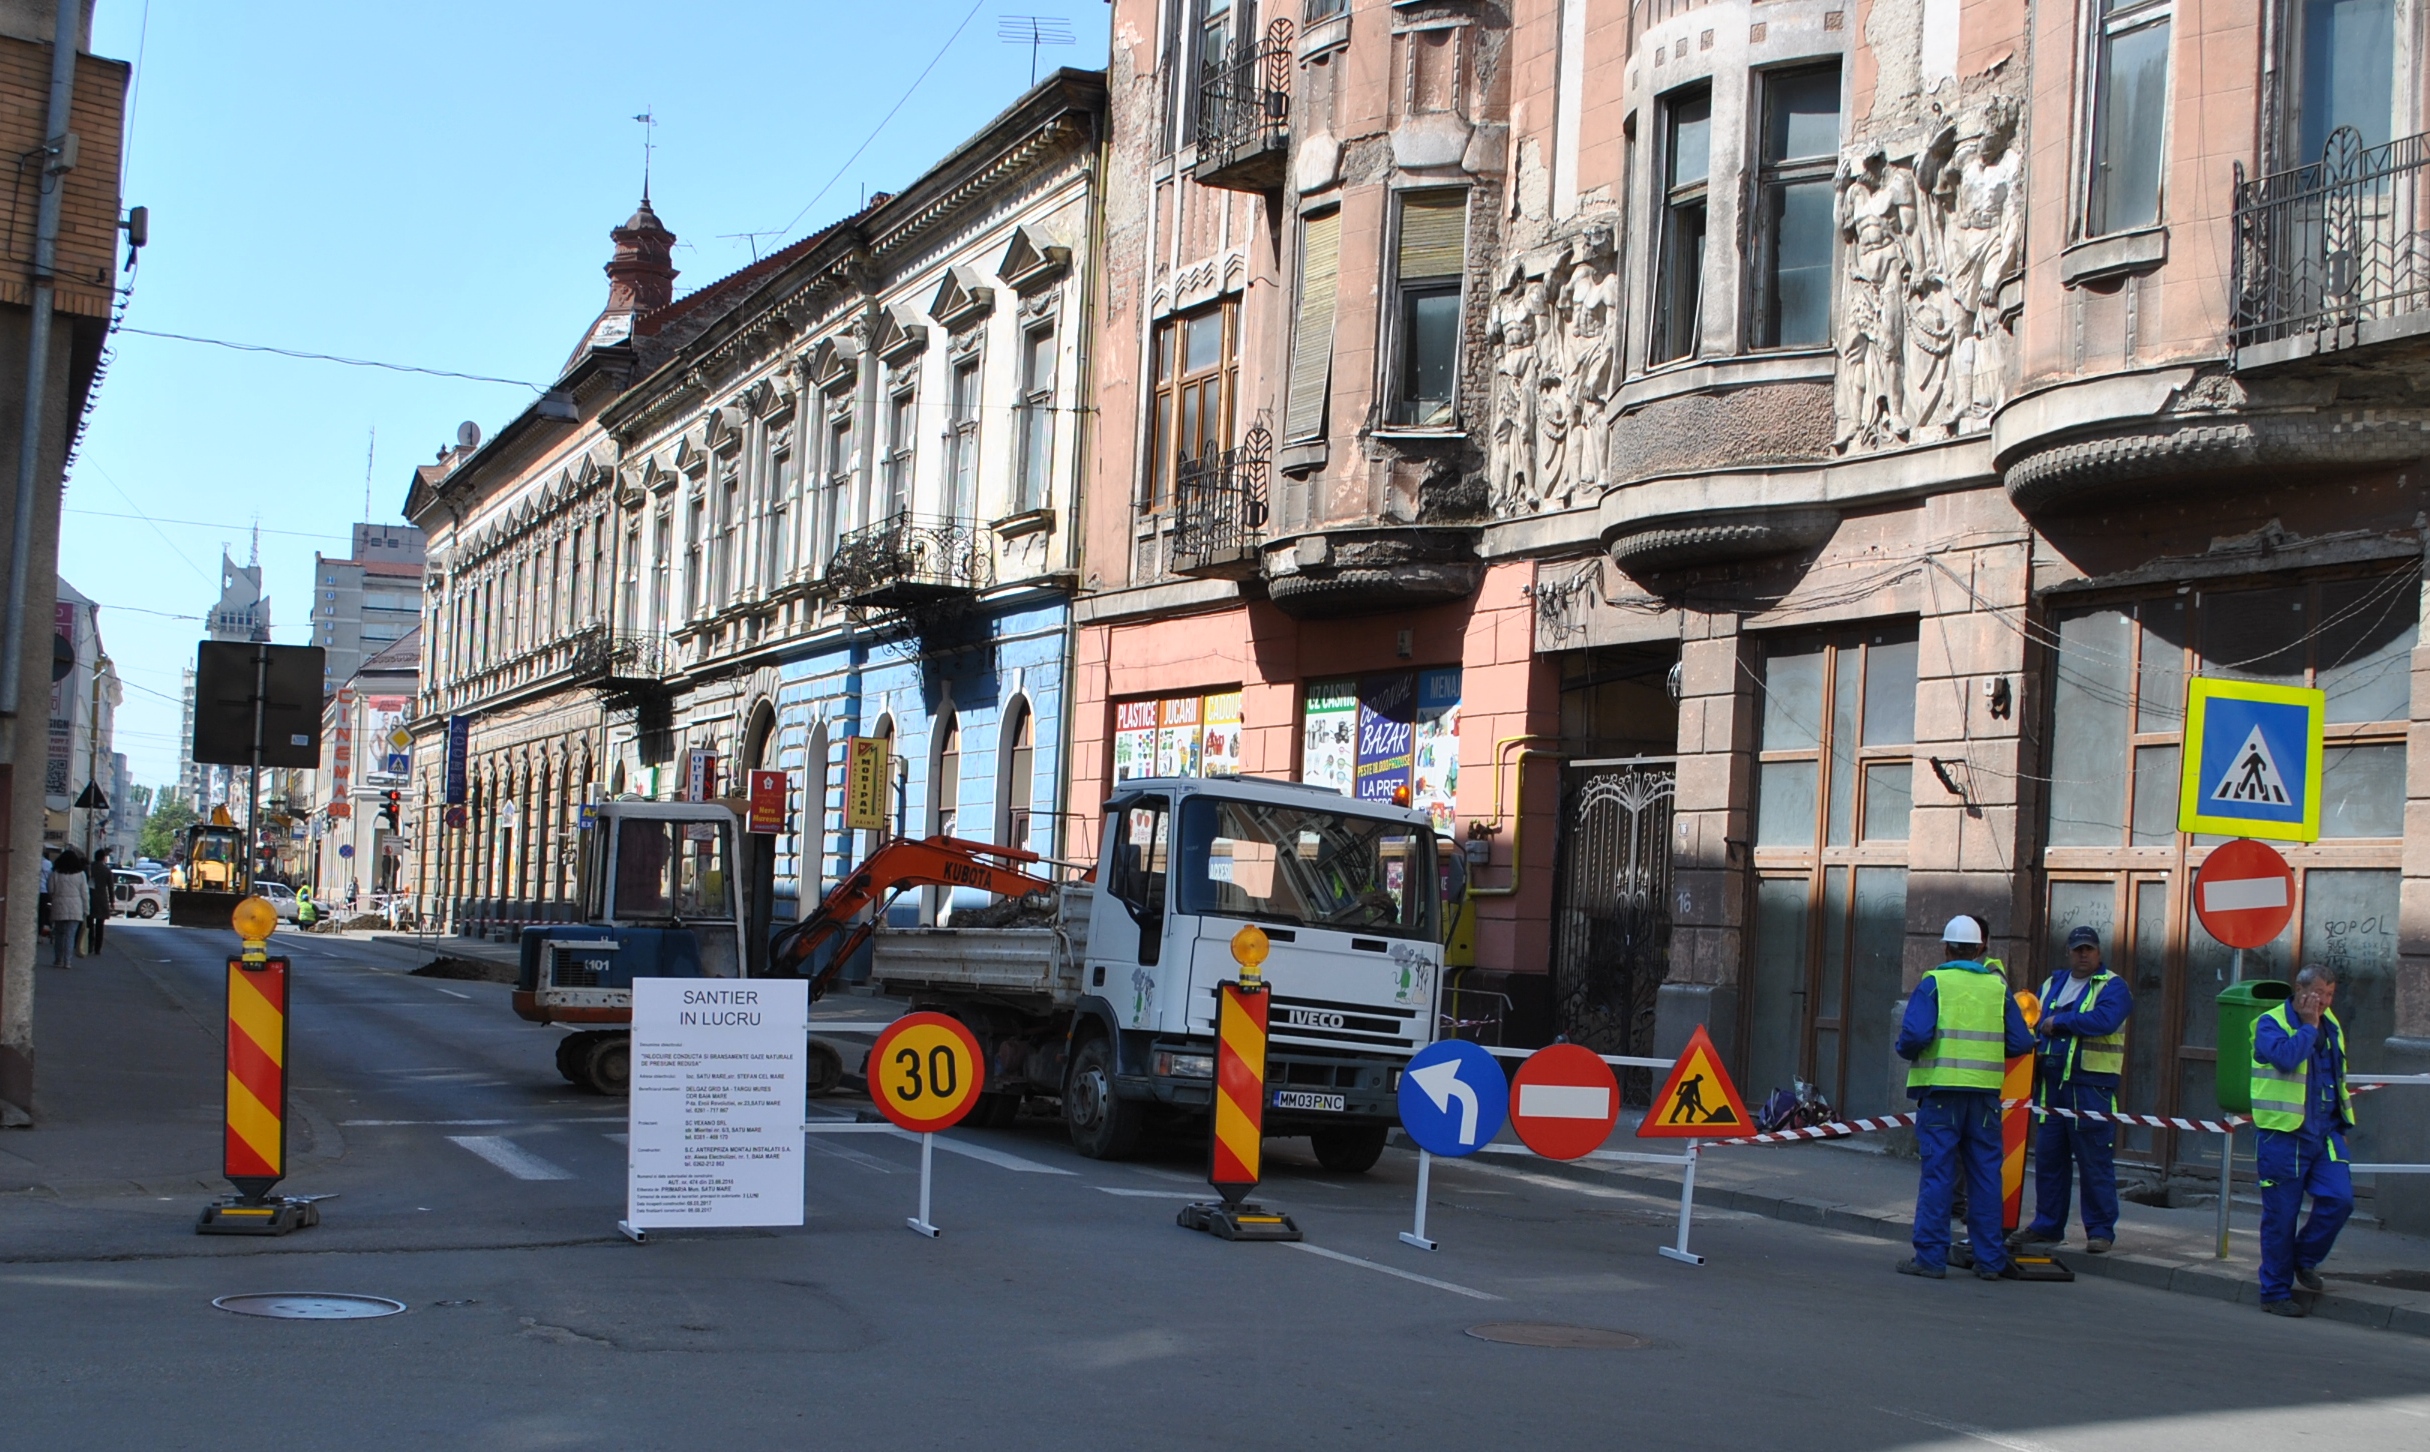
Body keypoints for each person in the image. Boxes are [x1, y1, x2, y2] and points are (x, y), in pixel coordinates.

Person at [1896, 913, 2036, 1280]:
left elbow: (1913, 1036)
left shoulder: (1934, 983)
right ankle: (1989, 1261)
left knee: (1939, 1175)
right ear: (1980, 947)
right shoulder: (1996, 987)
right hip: (1985, 1097)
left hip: (1941, 1093)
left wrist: (1911, 1051)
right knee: (1987, 1176)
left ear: (1946, 947)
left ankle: (1930, 1258)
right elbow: (2022, 1041)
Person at [2011, 924, 2133, 1253]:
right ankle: (2048, 1226)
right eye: (2078, 949)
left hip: (2090, 1086)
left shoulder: (2113, 986)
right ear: (2068, 952)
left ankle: (2100, 1231)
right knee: (2050, 1160)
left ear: (2099, 953)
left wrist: (2059, 1023)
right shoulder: (2053, 983)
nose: (2083, 954)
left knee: (2094, 1161)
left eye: (2089, 949)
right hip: (2051, 1086)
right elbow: (2034, 1020)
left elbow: (2103, 1021)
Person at [2252, 963, 2355, 1317]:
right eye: (2318, 994)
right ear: (2299, 988)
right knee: (2281, 1217)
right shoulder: (2270, 1023)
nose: (2324, 1002)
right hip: (2284, 1135)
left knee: (2340, 1200)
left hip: (2324, 1132)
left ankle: (2303, 1258)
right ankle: (2274, 1292)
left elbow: (2334, 1075)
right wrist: (2309, 1027)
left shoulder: (2332, 1022)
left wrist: (2340, 1124)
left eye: (2330, 995)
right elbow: (2285, 1058)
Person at [47, 849, 88, 969]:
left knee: (59, 934)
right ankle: (68, 961)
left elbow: (51, 889)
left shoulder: (55, 873)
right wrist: (86, 909)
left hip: (59, 904)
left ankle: (58, 959)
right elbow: (84, 893)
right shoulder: (81, 875)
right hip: (76, 906)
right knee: (71, 935)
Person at [85, 847, 111, 954]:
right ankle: (98, 948)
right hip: (102, 899)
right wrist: (112, 901)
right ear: (103, 858)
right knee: (100, 925)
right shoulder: (107, 870)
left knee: (89, 923)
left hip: (89, 897)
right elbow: (110, 887)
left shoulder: (89, 868)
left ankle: (89, 945)